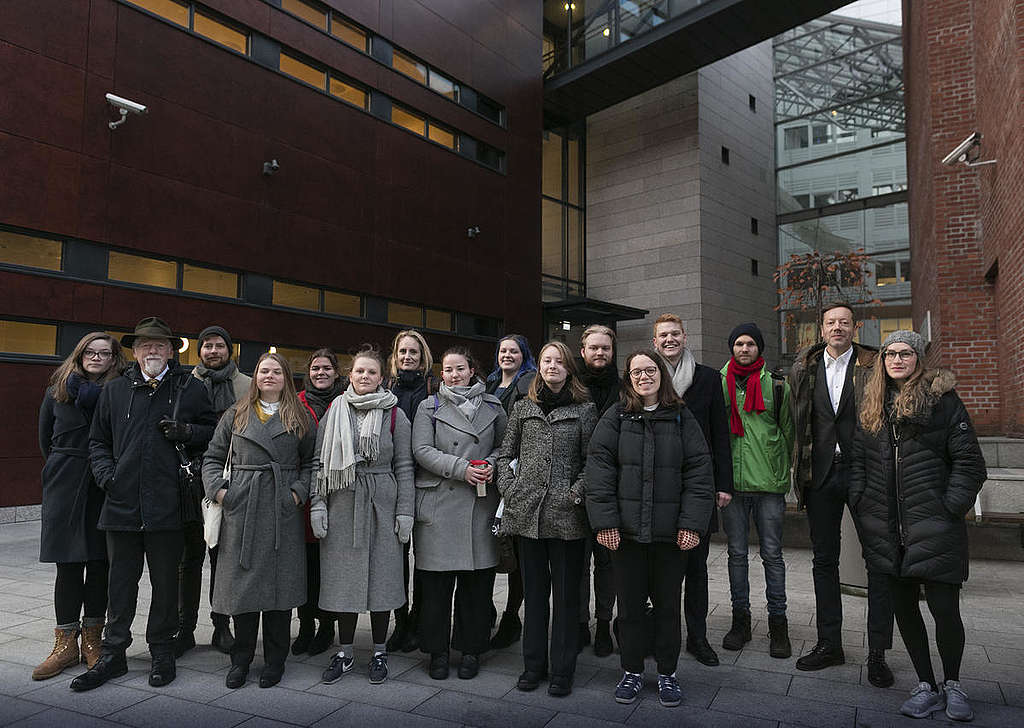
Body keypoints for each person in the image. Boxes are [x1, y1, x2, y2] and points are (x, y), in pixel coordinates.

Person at [849, 331, 986, 721]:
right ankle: (926, 684)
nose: (896, 359)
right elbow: (858, 461)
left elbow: (970, 463)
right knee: (905, 610)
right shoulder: (872, 404)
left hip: (935, 526)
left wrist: (950, 507)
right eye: (890, 353)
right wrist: (861, 501)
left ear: (918, 358)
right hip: (886, 531)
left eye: (904, 353)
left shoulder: (942, 402)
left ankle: (953, 684)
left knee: (944, 610)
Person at [75, 317, 217, 692]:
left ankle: (162, 651)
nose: (151, 350)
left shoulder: (190, 387)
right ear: (134, 351)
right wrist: (108, 476)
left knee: (166, 584)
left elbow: (213, 433)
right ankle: (113, 654)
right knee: (119, 584)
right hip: (121, 506)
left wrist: (187, 431)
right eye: (144, 345)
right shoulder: (116, 390)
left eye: (159, 345)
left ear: (171, 350)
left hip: (169, 506)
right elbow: (98, 442)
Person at [586, 350, 714, 707]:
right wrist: (605, 522)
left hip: (669, 537)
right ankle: (631, 670)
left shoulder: (681, 417)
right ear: (628, 378)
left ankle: (668, 674)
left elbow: (700, 474)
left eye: (650, 369)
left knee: (668, 607)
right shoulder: (616, 416)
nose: (644, 376)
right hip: (624, 535)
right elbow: (599, 473)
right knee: (627, 608)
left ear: (662, 374)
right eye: (636, 371)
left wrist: (691, 524)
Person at [790, 303, 895, 683]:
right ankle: (829, 644)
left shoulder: (873, 364)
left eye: (844, 322)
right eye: (831, 322)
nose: (838, 327)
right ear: (821, 329)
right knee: (823, 561)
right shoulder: (804, 368)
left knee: (878, 561)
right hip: (820, 475)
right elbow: (798, 422)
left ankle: (878, 653)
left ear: (855, 327)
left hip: (864, 471)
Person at [202, 352, 316, 689]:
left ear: (286, 378)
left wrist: (296, 493)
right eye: (264, 371)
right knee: (243, 591)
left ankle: (276, 660)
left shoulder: (299, 416)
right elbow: (212, 457)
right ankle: (241, 659)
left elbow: (312, 463)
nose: (269, 376)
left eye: (276, 371)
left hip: (282, 511)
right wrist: (222, 493)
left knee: (280, 593)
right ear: (255, 378)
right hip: (243, 510)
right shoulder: (236, 414)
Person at [496, 341, 597, 697]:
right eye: (546, 361)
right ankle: (533, 665)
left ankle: (563, 669)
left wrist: (575, 493)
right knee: (535, 596)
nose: (552, 366)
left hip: (567, 516)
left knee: (566, 598)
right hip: (527, 515)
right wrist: (510, 487)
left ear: (570, 368)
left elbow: (592, 462)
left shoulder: (585, 410)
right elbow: (505, 453)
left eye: (558, 361)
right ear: (538, 367)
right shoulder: (524, 407)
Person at [311, 348, 414, 686]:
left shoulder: (395, 414)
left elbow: (404, 466)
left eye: (372, 372)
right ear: (350, 376)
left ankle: (380, 651)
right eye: (359, 372)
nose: (365, 377)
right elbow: (319, 463)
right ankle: (345, 653)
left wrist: (404, 511)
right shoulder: (333, 411)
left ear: (381, 378)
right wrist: (318, 504)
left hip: (382, 502)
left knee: (383, 579)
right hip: (342, 503)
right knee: (344, 580)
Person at [33, 333, 126, 681]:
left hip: (103, 485)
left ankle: (92, 641)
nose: (97, 357)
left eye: (105, 353)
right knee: (67, 566)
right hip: (65, 481)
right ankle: (64, 645)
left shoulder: (121, 393)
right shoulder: (58, 390)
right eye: (90, 351)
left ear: (114, 358)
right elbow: (45, 439)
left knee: (100, 563)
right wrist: (61, 470)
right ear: (80, 353)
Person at [412, 347, 507, 679]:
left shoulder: (493, 407)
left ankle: (471, 650)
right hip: (440, 503)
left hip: (479, 503)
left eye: (459, 369)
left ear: (472, 371)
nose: (453, 374)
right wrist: (461, 468)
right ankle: (437, 652)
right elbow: (421, 450)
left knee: (476, 587)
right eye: (447, 370)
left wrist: (491, 465)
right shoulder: (428, 406)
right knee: (436, 589)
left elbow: (504, 446)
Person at [651, 314, 733, 667]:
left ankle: (698, 638)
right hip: (655, 488)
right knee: (659, 568)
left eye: (675, 334)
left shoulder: (708, 378)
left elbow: (720, 432)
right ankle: (659, 634)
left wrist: (723, 484)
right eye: (663, 336)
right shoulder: (645, 375)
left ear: (685, 337)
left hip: (698, 486)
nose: (669, 340)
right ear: (655, 343)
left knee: (696, 568)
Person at [718, 323, 794, 658]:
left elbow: (788, 432)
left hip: (769, 485)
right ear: (731, 348)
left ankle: (779, 624)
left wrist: (780, 471)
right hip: (733, 485)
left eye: (750, 344)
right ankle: (741, 620)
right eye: (738, 344)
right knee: (736, 555)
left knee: (773, 556)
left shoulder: (777, 385)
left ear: (759, 348)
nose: (744, 349)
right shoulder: (720, 382)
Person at [178, 325, 250, 657]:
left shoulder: (246, 385)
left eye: (219, 345)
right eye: (206, 345)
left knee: (222, 560)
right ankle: (184, 628)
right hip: (187, 482)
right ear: (198, 351)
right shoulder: (182, 384)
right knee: (187, 558)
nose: (213, 351)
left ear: (230, 350)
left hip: (228, 482)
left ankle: (222, 626)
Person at [383, 329, 439, 654]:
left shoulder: (433, 388)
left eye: (413, 353)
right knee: (397, 560)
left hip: (427, 485)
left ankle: (420, 621)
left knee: (425, 561)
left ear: (422, 357)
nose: (407, 357)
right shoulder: (386, 389)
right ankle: (401, 622)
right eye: (402, 352)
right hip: (394, 487)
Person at [484, 334, 537, 650]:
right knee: (490, 547)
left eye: (513, 351)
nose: (507, 355)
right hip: (487, 476)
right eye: (502, 350)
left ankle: (511, 616)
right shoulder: (489, 383)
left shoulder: (528, 383)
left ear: (523, 355)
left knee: (515, 552)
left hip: (515, 476)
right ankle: (487, 608)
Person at [292, 348, 345, 657]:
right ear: (308, 372)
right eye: (315, 368)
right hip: (305, 495)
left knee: (331, 568)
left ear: (336, 372)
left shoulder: (346, 402)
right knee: (306, 567)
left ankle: (327, 626)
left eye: (326, 368)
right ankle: (306, 625)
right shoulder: (297, 404)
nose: (321, 373)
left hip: (338, 494)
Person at [574, 324, 619, 656]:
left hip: (613, 493)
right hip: (576, 492)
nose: (599, 353)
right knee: (577, 565)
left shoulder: (624, 388)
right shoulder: (571, 388)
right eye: (594, 348)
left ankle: (604, 624)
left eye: (605, 348)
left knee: (607, 565)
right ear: (583, 351)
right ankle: (579, 624)